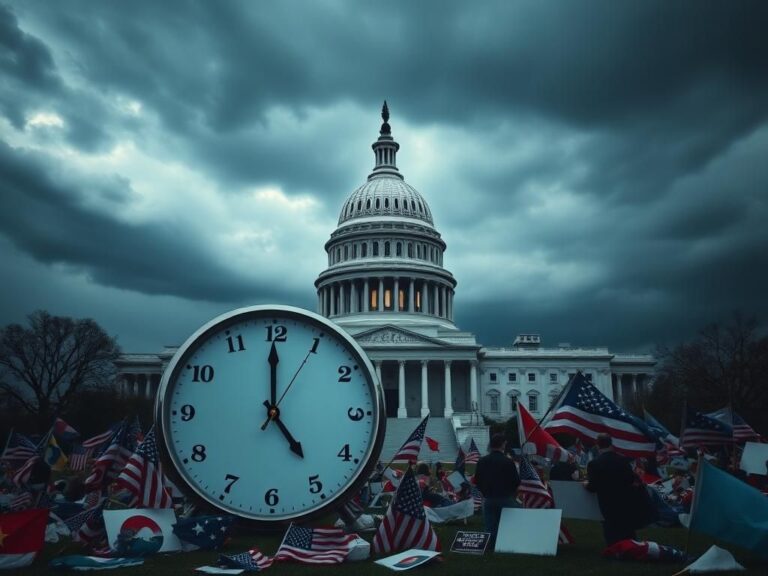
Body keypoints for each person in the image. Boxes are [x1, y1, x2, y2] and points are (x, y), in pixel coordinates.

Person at [584, 433, 654, 546]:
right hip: (625, 499)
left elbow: (593, 487)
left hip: (607, 502)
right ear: (611, 444)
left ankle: (616, 549)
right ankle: (632, 547)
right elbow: (631, 479)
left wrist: (586, 484)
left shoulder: (594, 464)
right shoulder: (622, 461)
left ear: (598, 446)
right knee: (627, 528)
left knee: (612, 530)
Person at [473, 434, 520, 547]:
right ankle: (508, 543)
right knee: (511, 521)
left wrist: (484, 492)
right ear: (503, 444)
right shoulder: (508, 462)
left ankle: (489, 545)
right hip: (505, 497)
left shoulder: (482, 461)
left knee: (490, 525)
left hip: (488, 498)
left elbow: (477, 480)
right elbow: (515, 481)